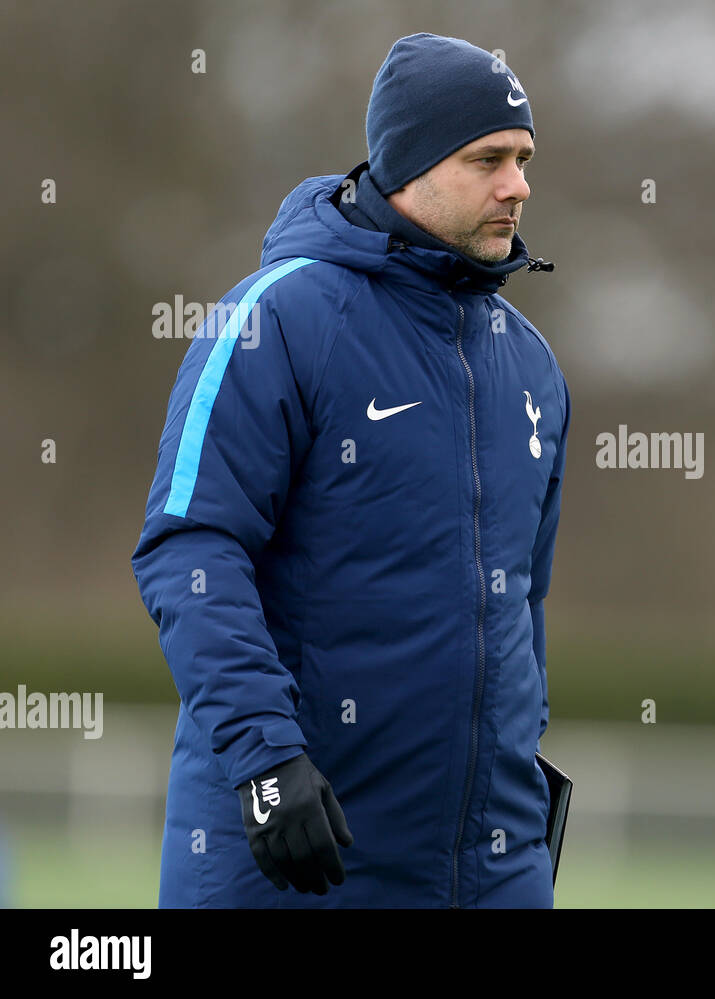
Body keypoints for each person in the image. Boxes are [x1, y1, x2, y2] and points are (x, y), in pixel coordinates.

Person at [130, 33, 570, 908]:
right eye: (488, 158)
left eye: (522, 159)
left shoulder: (533, 366)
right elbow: (191, 551)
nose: (517, 184)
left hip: (485, 875)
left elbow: (520, 605)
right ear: (409, 163)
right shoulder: (276, 320)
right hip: (294, 861)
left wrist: (514, 802)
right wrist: (267, 763)